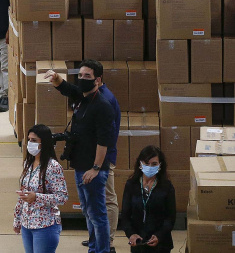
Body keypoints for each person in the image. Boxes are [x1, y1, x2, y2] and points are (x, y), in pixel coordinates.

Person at [44, 60, 116, 253]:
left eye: (87, 76)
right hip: (80, 166)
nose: (82, 79)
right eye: (81, 75)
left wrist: (96, 168)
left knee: (97, 214)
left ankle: (101, 250)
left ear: (98, 80)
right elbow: (67, 88)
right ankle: (93, 247)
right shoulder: (82, 97)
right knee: (88, 212)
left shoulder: (102, 105)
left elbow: (104, 142)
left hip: (93, 170)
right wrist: (56, 78)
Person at [14, 125, 68, 253]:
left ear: (44, 143)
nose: (29, 143)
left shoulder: (53, 167)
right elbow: (23, 194)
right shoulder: (28, 163)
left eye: (34, 140)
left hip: (45, 225)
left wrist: (37, 197)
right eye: (29, 140)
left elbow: (62, 197)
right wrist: (17, 219)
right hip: (27, 224)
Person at [119, 146, 176, 253]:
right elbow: (125, 215)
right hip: (138, 242)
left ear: (160, 165)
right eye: (146, 163)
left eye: (154, 164)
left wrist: (159, 235)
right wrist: (131, 234)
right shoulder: (131, 185)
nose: (150, 167)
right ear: (140, 164)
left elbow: (170, 218)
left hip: (161, 244)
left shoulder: (166, 186)